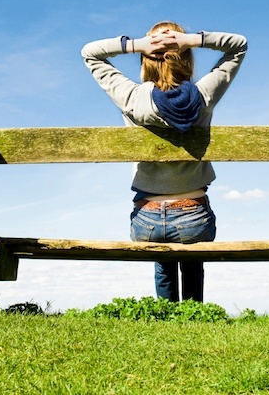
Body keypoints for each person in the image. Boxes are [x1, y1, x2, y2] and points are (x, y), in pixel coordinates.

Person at [81, 21, 248, 302]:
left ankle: (165, 317)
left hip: (146, 220)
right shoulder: (204, 94)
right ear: (184, 55)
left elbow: (90, 53)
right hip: (194, 216)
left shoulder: (132, 97)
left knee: (163, 263)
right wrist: (191, 40)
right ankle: (194, 319)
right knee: (193, 265)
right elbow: (238, 46)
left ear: (147, 60)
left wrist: (136, 45)